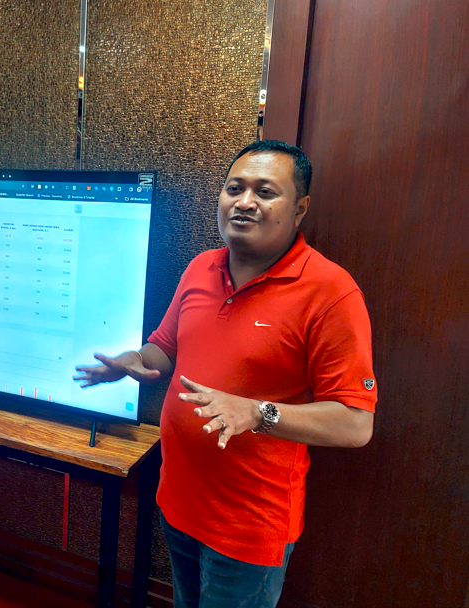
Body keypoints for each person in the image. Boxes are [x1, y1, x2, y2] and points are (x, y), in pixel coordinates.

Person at [74, 140, 377, 608]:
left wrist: (256, 413)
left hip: (248, 528)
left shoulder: (331, 293)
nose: (245, 202)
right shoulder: (201, 267)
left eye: (265, 192)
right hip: (178, 504)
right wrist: (132, 362)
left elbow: (356, 424)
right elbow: (165, 349)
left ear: (299, 208)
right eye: (234, 188)